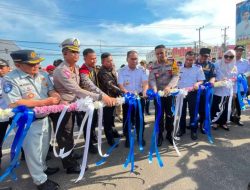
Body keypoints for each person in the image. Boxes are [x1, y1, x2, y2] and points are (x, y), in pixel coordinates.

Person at [52, 38, 115, 174]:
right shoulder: (61, 70)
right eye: (73, 52)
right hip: (63, 108)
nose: (76, 55)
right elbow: (77, 90)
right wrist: (101, 96)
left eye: (77, 52)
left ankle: (70, 154)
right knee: (65, 136)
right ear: (64, 53)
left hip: (73, 105)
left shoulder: (74, 67)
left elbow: (82, 87)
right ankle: (70, 165)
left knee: (69, 135)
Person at [2, 50, 61, 190]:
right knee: (33, 151)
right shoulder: (10, 79)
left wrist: (56, 96)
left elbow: (51, 90)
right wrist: (46, 102)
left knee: (44, 147)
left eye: (38, 62)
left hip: (45, 117)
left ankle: (42, 168)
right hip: (27, 122)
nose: (36, 66)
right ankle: (40, 181)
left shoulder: (43, 74)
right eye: (31, 64)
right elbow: (15, 102)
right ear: (18, 65)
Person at [149, 45, 179, 147]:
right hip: (159, 95)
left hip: (169, 94)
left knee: (170, 115)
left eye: (161, 53)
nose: (159, 55)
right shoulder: (153, 65)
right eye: (157, 53)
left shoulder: (172, 62)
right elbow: (152, 79)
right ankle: (160, 135)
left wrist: (169, 87)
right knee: (159, 116)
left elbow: (176, 76)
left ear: (166, 53)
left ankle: (169, 134)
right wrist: (154, 89)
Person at [118, 50, 148, 148]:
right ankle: (128, 138)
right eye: (132, 59)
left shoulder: (142, 69)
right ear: (127, 59)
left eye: (136, 59)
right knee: (127, 119)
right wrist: (126, 93)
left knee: (140, 118)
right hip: (128, 98)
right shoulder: (122, 70)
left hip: (140, 97)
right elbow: (121, 85)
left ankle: (140, 137)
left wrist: (144, 91)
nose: (135, 61)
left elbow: (145, 83)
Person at [79, 48, 106, 153]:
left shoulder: (95, 68)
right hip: (86, 102)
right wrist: (103, 95)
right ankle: (89, 145)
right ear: (85, 58)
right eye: (91, 59)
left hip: (95, 101)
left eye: (95, 58)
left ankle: (93, 137)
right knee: (88, 124)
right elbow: (89, 85)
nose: (94, 61)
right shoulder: (83, 71)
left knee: (94, 121)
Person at [177, 51, 205, 140]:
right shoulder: (178, 68)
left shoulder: (198, 68)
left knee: (193, 112)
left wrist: (198, 83)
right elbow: (175, 80)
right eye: (188, 59)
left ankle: (194, 130)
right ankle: (182, 129)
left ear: (194, 59)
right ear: (185, 58)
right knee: (182, 113)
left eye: (191, 60)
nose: (189, 61)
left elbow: (201, 80)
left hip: (193, 93)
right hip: (181, 93)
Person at [97, 52, 123, 146]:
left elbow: (117, 81)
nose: (111, 62)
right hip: (107, 100)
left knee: (112, 117)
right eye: (108, 61)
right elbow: (110, 85)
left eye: (111, 60)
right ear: (103, 62)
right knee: (107, 120)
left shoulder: (111, 69)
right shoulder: (102, 72)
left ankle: (114, 132)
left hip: (113, 98)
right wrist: (122, 92)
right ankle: (110, 139)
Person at [211, 49, 238, 131]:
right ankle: (215, 122)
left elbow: (235, 80)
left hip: (228, 91)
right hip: (217, 90)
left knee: (226, 108)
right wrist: (220, 80)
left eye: (231, 57)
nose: (228, 58)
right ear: (223, 56)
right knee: (216, 106)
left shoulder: (234, 67)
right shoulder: (217, 64)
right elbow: (213, 75)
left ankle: (223, 122)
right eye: (226, 56)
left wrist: (234, 91)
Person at [195, 48, 216, 133]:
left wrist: (211, 81)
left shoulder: (211, 65)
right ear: (199, 55)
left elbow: (213, 76)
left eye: (206, 56)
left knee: (204, 108)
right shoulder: (193, 64)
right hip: (195, 90)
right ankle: (194, 123)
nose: (204, 57)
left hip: (206, 91)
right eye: (202, 55)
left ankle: (202, 124)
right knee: (195, 108)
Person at [231, 45, 250, 126]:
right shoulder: (230, 60)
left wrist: (241, 76)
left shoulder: (246, 62)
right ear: (234, 51)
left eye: (241, 51)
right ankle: (229, 117)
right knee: (230, 103)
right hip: (230, 86)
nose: (239, 52)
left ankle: (237, 118)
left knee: (238, 103)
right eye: (238, 50)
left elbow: (249, 72)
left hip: (241, 86)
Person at [0, 58, 11, 169]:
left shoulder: (13, 79)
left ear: (8, 68)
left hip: (14, 113)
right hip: (1, 116)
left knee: (23, 135)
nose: (0, 70)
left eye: (2, 67)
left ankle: (25, 156)